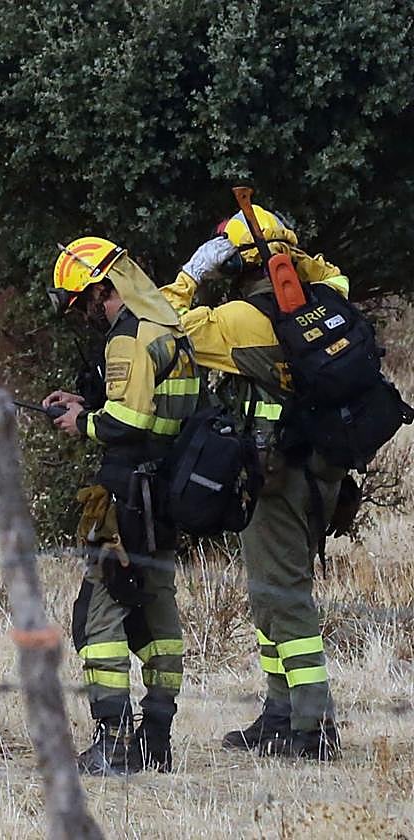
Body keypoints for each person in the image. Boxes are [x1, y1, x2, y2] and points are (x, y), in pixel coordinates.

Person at [164, 208, 346, 760]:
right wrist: (289, 252)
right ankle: (280, 712)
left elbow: (162, 329)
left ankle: (313, 727)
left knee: (282, 596)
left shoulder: (239, 320)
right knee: (269, 592)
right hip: (322, 466)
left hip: (277, 474)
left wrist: (194, 273)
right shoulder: (329, 298)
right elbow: (332, 272)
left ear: (235, 262)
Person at [44, 236, 200, 775]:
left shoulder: (128, 337)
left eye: (82, 302)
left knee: (96, 617)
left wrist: (79, 422)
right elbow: (150, 408)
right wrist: (87, 401)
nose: (83, 314)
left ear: (100, 291)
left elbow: (128, 422)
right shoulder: (166, 323)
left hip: (128, 495)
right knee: (158, 610)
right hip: (165, 492)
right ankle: (157, 736)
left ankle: (112, 742)